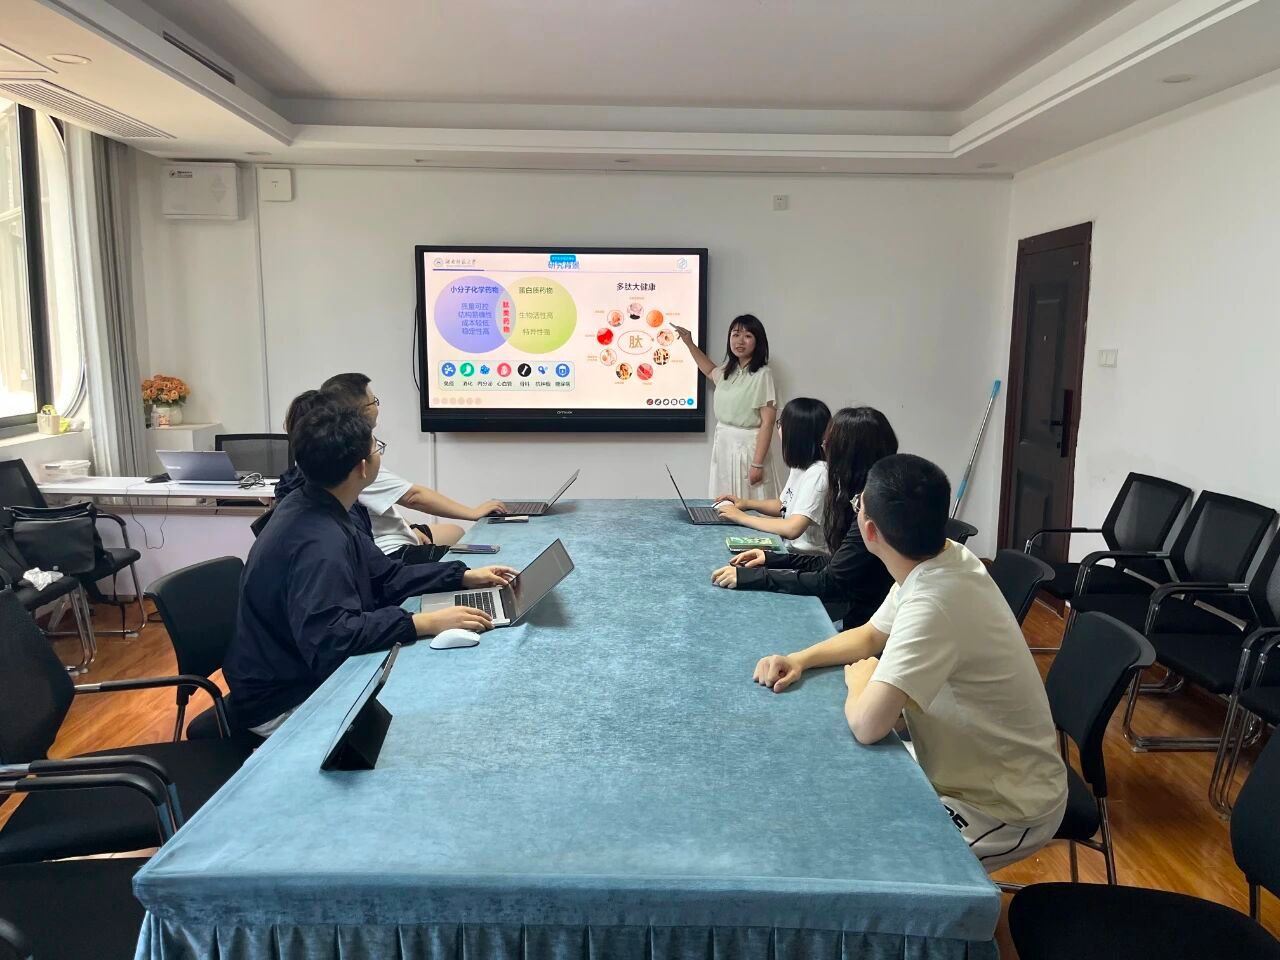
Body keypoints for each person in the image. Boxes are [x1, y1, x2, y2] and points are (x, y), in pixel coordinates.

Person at [751, 454, 1067, 872]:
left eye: (858, 503)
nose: (856, 507)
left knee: (873, 863)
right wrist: (799, 659)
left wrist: (862, 682)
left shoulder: (935, 600)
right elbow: (871, 635)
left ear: (870, 531)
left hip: (1003, 805)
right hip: (957, 763)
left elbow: (868, 725)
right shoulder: (943, 558)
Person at [225, 401, 514, 736]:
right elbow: (332, 639)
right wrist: (422, 623)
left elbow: (386, 576)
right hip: (285, 702)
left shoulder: (320, 506)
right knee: (433, 720)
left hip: (295, 673)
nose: (379, 454)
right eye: (377, 448)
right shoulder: (318, 542)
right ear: (362, 468)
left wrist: (461, 576)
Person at [711, 406, 898, 625]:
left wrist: (752, 576)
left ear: (848, 455)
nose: (825, 451)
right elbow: (836, 562)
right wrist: (772, 559)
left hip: (864, 623)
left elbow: (829, 581)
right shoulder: (866, 496)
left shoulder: (871, 511)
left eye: (829, 445)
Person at [320, 373, 507, 558]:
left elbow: (380, 501)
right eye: (373, 402)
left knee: (454, 532)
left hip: (389, 533)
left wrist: (409, 526)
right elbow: (413, 497)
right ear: (361, 410)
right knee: (473, 559)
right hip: (389, 551)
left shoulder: (333, 446)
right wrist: (473, 513)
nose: (377, 407)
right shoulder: (356, 459)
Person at [672, 314, 779, 500]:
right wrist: (689, 343)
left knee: (750, 499)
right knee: (724, 499)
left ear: (758, 341)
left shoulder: (763, 374)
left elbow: (768, 423)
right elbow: (708, 370)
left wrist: (757, 464)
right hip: (724, 442)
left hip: (748, 447)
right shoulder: (728, 370)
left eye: (747, 336)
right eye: (735, 334)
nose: (740, 341)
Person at [711, 397, 830, 555]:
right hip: (788, 549)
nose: (778, 428)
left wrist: (742, 518)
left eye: (780, 423)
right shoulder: (801, 466)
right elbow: (783, 505)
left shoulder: (818, 474)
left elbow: (792, 528)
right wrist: (746, 503)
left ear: (794, 433)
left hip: (806, 559)